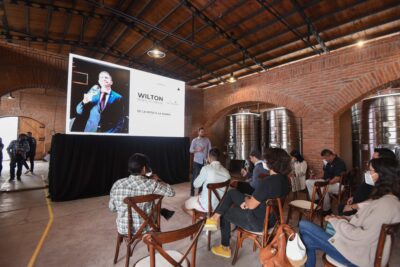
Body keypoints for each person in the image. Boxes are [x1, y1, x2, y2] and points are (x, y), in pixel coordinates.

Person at [299, 157, 400, 267]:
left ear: (382, 175)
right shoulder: (386, 200)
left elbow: (361, 237)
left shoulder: (386, 205)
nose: (368, 174)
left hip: (358, 257)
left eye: (371, 171)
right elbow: (364, 222)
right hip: (357, 250)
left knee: (304, 225)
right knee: (307, 239)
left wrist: (337, 222)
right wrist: (343, 218)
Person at [204, 147, 291, 258]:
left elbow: (251, 205)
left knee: (225, 212)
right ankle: (213, 218)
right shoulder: (285, 180)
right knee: (232, 193)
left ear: (271, 163)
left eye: (266, 160)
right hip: (273, 220)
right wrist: (247, 200)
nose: (264, 162)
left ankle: (224, 247)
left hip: (258, 222)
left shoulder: (268, 182)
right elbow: (261, 200)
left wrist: (246, 201)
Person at [109, 153, 175, 235]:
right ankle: (161, 211)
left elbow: (112, 208)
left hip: (123, 229)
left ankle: (161, 211)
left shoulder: (117, 184)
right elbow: (171, 192)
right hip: (145, 228)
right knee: (152, 207)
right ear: (144, 169)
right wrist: (158, 180)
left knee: (147, 207)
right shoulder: (151, 184)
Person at [340, 147, 396, 215]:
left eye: (374, 159)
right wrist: (354, 197)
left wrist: (354, 206)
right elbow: (364, 189)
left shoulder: (387, 182)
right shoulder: (374, 177)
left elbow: (376, 201)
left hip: (364, 210)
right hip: (358, 204)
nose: (370, 161)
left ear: (384, 163)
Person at [184, 148, 230, 214]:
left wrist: (201, 173)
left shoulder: (206, 169)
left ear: (209, 157)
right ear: (218, 158)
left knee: (184, 205)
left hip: (207, 206)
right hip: (221, 205)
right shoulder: (226, 172)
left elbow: (195, 184)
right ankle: (207, 219)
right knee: (200, 194)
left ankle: (202, 220)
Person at [305, 149, 346, 214]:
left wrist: (325, 183)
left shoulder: (339, 162)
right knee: (308, 182)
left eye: (325, 158)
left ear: (330, 156)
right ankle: (317, 202)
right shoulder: (329, 163)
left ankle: (327, 210)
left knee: (322, 188)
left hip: (338, 185)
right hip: (327, 181)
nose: (325, 160)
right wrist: (315, 177)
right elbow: (324, 174)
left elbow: (337, 178)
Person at [189, 127, 211, 196]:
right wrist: (197, 150)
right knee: (195, 177)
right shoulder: (194, 140)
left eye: (203, 132)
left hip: (204, 161)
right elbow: (190, 150)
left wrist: (208, 158)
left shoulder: (207, 140)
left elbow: (210, 150)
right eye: (201, 132)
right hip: (197, 161)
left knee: (203, 176)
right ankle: (192, 191)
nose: (203, 133)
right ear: (198, 132)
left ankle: (200, 192)